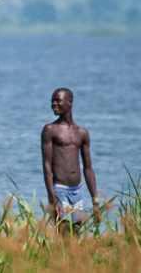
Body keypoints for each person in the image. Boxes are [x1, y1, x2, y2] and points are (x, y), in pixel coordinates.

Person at [41, 88, 100, 232]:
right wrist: (52, 198)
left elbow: (88, 168)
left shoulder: (82, 133)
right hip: (59, 190)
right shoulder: (50, 130)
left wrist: (95, 201)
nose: (53, 104)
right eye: (52, 101)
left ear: (70, 102)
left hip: (77, 191)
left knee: (76, 232)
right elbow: (47, 166)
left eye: (57, 100)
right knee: (64, 232)